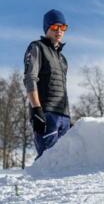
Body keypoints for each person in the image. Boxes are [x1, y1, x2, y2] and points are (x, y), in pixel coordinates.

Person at [23, 9, 71, 158]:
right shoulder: (37, 47)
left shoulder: (63, 59)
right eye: (55, 26)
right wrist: (36, 109)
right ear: (47, 28)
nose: (59, 31)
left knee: (65, 163)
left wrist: (68, 116)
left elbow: (62, 89)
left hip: (64, 117)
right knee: (47, 161)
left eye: (63, 27)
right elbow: (30, 78)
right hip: (46, 114)